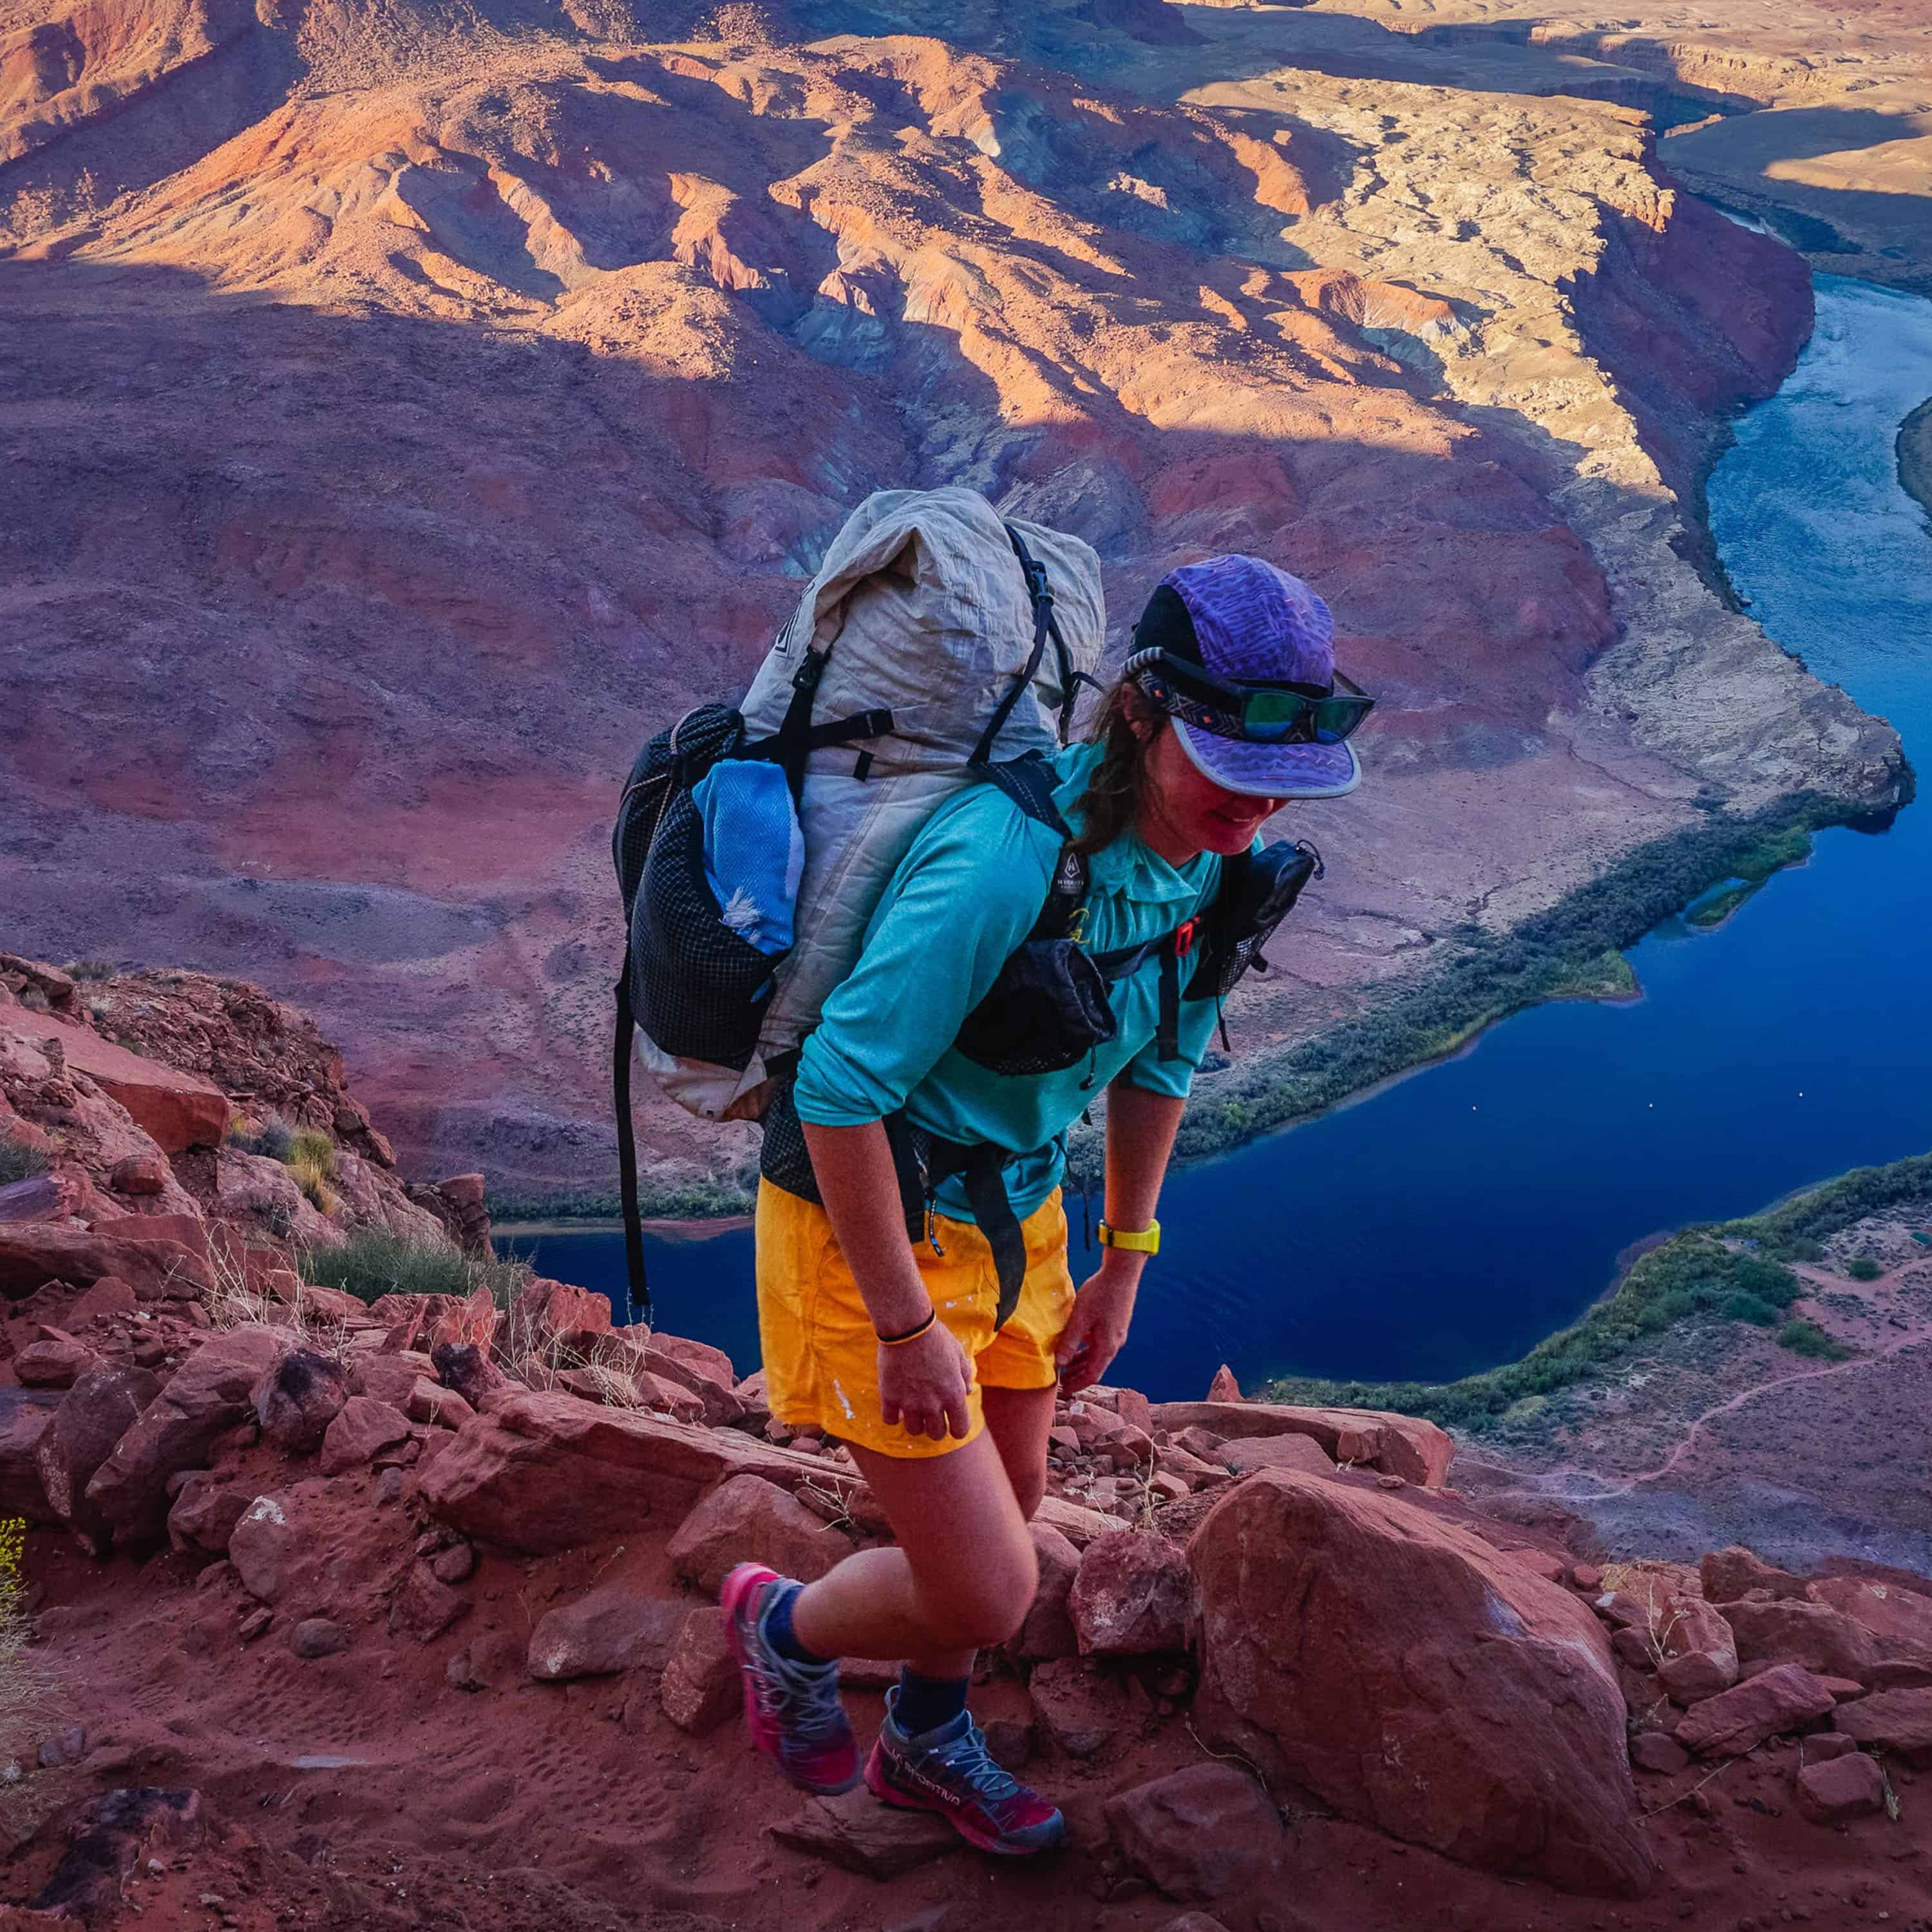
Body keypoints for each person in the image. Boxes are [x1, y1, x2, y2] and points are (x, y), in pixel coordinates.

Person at [721, 553, 1371, 1855]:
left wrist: (1124, 1262)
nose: (1254, 804)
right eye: (1229, 765)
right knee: (990, 1582)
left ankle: (920, 1742)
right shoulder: (1004, 861)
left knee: (1010, 1508)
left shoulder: (1206, 865)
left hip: (1021, 1224)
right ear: (1140, 711)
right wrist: (905, 1330)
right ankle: (777, 1627)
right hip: (876, 1229)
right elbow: (839, 1092)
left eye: (1279, 781)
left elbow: (1159, 1063)